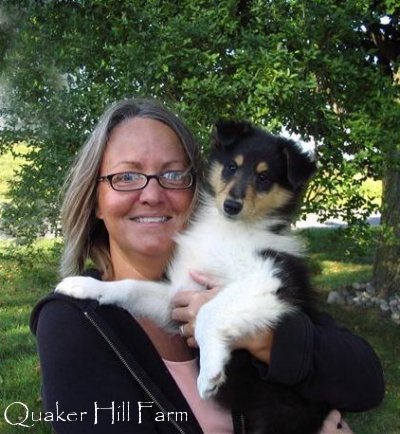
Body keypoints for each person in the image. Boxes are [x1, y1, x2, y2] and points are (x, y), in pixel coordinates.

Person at [30, 98, 384, 434]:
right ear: (95, 200)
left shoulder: (243, 259)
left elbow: (365, 381)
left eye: (172, 175)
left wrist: (265, 339)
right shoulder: (73, 323)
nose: (152, 194)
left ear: (193, 186)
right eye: (126, 177)